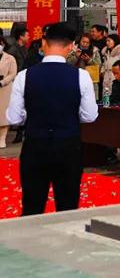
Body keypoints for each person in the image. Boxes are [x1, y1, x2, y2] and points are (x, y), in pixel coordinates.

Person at [5, 23, 98, 215]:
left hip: (35, 145)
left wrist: (32, 115)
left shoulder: (25, 76)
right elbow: (89, 116)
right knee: (67, 208)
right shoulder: (81, 76)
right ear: (71, 46)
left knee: (32, 207)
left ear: (43, 43)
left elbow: (14, 117)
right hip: (68, 146)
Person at [0, 42, 18, 147]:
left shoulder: (10, 58)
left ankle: (2, 138)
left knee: (3, 115)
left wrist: (3, 82)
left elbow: (12, 73)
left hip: (4, 89)